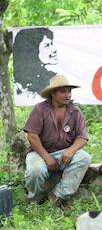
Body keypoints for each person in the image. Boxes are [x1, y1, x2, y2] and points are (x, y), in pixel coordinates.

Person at [23, 74, 91, 208]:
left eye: (69, 91)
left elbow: (82, 136)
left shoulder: (75, 111)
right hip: (40, 153)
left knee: (84, 157)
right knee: (35, 171)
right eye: (63, 91)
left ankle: (58, 196)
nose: (68, 95)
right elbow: (32, 136)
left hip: (64, 153)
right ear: (53, 93)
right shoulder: (40, 109)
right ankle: (36, 199)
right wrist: (46, 157)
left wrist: (71, 151)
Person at [13, 27, 58, 98]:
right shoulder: (18, 83)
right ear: (34, 50)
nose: (54, 50)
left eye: (51, 44)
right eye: (47, 45)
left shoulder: (53, 78)